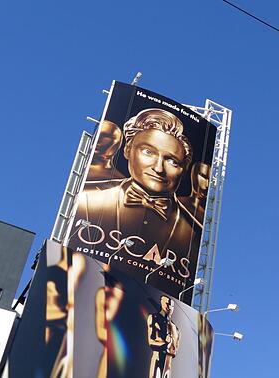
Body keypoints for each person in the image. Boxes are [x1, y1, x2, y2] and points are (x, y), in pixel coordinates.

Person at [71, 108, 202, 295]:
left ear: (184, 169)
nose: (158, 168)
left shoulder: (193, 235)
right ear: (127, 150)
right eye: (148, 152)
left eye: (172, 161)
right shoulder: (87, 202)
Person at [147, 295, 180, 378]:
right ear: (162, 303)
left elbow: (175, 349)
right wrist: (166, 345)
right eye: (167, 304)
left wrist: (171, 348)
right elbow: (151, 341)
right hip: (157, 358)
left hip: (168, 365)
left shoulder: (175, 328)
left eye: (172, 306)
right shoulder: (154, 318)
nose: (170, 307)